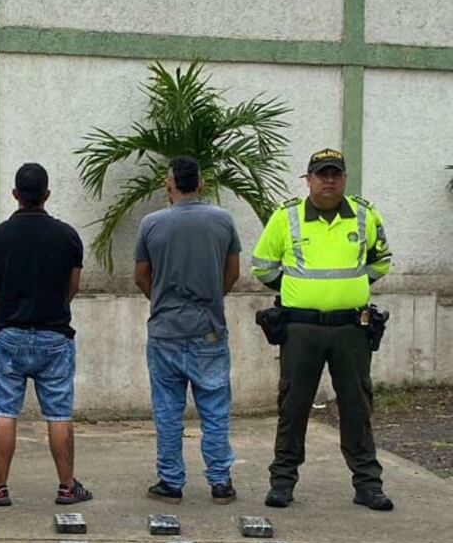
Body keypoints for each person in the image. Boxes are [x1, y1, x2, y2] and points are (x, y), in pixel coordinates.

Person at [251, 148, 394, 511]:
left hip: (351, 328)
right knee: (293, 406)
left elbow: (381, 260)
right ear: (308, 179)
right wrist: (297, 292)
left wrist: (353, 288)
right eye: (321, 174)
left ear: (344, 178)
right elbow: (263, 266)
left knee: (357, 405)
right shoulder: (287, 217)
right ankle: (282, 482)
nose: (328, 180)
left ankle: (368, 484)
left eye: (335, 174)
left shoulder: (365, 214)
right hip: (301, 329)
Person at [0, 163, 92, 507]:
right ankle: (67, 487)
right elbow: (73, 286)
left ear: (15, 194)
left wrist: (9, 311)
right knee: (58, 414)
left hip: (8, 334)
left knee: (5, 411)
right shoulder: (68, 236)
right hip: (55, 336)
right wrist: (53, 306)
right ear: (47, 194)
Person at [133, 156, 241, 505]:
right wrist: (212, 299)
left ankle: (171, 480)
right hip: (209, 329)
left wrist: (161, 301)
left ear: (169, 185)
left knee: (167, 410)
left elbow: (141, 276)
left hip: (165, 331)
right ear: (201, 184)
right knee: (214, 408)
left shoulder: (151, 224)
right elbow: (233, 272)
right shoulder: (223, 221)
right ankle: (220, 481)